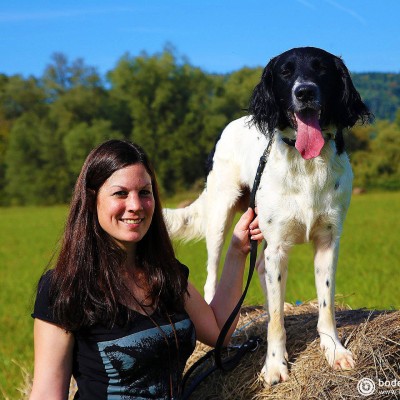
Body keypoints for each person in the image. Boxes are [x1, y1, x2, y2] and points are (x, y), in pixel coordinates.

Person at [29, 139, 263, 400]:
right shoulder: (65, 287)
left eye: (144, 192)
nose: (136, 205)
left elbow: (219, 331)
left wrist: (236, 251)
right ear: (92, 199)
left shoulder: (167, 275)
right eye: (120, 193)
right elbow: (47, 394)